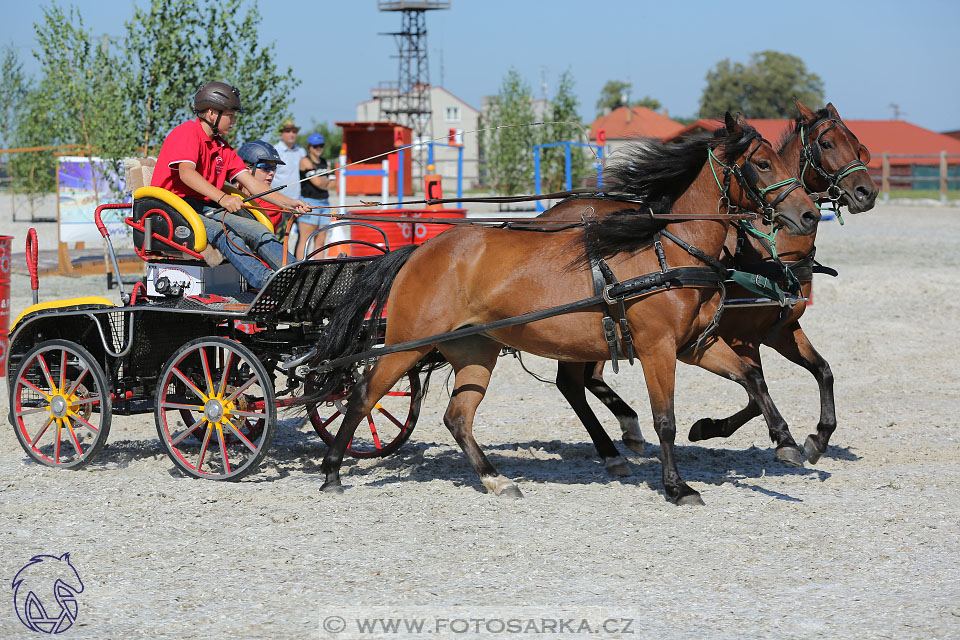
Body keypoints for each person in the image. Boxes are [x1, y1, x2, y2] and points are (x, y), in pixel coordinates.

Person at [150, 81, 309, 289]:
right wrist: (223, 198)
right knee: (227, 234)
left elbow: (252, 184)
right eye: (230, 115)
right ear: (211, 113)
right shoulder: (187, 133)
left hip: (203, 210)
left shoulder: (222, 148)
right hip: (171, 211)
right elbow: (187, 173)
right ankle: (269, 284)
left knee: (258, 230)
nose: (234, 121)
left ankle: (300, 280)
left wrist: (288, 203)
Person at [295, 132, 337, 260]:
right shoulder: (305, 161)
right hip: (309, 202)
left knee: (321, 240)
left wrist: (323, 181)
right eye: (315, 146)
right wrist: (326, 181)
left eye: (321, 145)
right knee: (306, 239)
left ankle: (317, 270)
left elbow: (334, 183)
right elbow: (318, 183)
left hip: (324, 202)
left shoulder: (325, 162)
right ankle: (300, 268)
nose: (319, 148)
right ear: (309, 147)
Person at [236, 140, 287, 231]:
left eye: (274, 168)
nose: (272, 173)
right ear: (247, 170)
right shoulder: (232, 192)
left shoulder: (272, 202)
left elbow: (251, 230)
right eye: (266, 168)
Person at [273, 118, 305, 200]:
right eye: (287, 131)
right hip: (278, 199)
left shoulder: (301, 151)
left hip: (298, 199)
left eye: (294, 131)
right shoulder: (274, 150)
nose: (291, 134)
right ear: (281, 134)